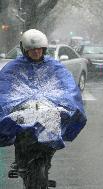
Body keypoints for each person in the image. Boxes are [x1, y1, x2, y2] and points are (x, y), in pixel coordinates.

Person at [0, 29, 87, 170]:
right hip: (23, 107)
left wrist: (66, 101)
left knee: (54, 122)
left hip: (48, 106)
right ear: (24, 50)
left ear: (44, 49)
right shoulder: (13, 67)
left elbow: (67, 86)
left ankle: (47, 157)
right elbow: (4, 87)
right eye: (32, 50)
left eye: (39, 49)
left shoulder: (55, 66)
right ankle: (19, 158)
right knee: (19, 126)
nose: (36, 52)